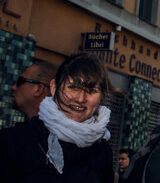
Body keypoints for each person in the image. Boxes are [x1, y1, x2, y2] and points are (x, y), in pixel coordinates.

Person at [0, 53, 113, 182]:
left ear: (101, 97)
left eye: (91, 90)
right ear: (54, 88)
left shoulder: (102, 151)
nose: (80, 99)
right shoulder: (13, 141)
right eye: (73, 87)